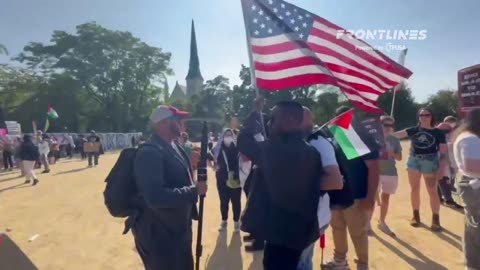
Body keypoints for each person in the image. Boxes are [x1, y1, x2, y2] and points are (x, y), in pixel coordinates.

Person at [239, 101, 323, 270]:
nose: (269, 123)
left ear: (289, 120)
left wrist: (255, 113)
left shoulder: (271, 149)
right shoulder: (312, 152)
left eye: (273, 119)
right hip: (300, 232)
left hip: (279, 233)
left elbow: (243, 142)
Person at [132, 105, 207, 270]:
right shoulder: (149, 152)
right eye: (178, 120)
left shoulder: (176, 146)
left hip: (177, 232)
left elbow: (179, 181)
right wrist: (194, 191)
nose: (182, 124)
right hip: (159, 238)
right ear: (164, 123)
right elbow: (155, 197)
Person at [323, 106, 380, 270]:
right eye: (339, 116)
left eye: (346, 116)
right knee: (337, 228)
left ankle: (362, 264)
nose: (343, 119)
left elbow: (374, 169)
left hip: (356, 195)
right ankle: (340, 260)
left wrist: (370, 197)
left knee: (358, 232)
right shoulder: (334, 136)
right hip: (336, 194)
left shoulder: (362, 137)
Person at [297, 107, 344, 270]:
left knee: (298, 263)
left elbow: (335, 181)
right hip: (302, 218)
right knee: (303, 261)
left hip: (312, 218)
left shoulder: (318, 143)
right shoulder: (300, 141)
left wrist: (295, 184)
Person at [394, 108, 447, 231]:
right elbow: (396, 135)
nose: (424, 117)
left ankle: (435, 218)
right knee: (414, 189)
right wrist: (384, 132)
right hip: (413, 161)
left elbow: (444, 152)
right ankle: (416, 215)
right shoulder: (414, 130)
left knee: (432, 191)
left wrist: (441, 167)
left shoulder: (438, 133)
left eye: (427, 115)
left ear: (431, 116)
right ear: (418, 117)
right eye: (421, 115)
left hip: (430, 162)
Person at [452, 108, 480, 270]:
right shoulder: (470, 139)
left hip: (471, 184)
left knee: (473, 226)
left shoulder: (470, 137)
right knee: (475, 227)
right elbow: (471, 165)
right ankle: (473, 264)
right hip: (474, 186)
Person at [370, 116, 402, 237]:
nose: (388, 128)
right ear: (380, 125)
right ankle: (368, 223)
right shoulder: (372, 138)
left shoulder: (394, 140)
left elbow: (399, 158)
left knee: (386, 198)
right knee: (372, 198)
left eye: (391, 125)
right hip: (375, 171)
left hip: (390, 172)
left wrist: (391, 152)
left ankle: (382, 221)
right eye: (385, 125)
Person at [213, 129, 242, 232]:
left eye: (230, 135)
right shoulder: (218, 149)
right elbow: (212, 161)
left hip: (236, 179)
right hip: (222, 179)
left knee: (236, 201)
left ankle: (236, 222)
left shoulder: (238, 148)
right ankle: (224, 221)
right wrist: (215, 167)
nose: (228, 137)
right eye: (226, 135)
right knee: (223, 201)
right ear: (222, 136)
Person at [436, 117, 463, 209]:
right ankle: (448, 200)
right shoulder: (437, 137)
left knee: (445, 179)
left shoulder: (453, 134)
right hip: (441, 161)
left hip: (450, 161)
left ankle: (440, 197)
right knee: (443, 180)